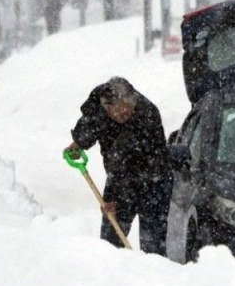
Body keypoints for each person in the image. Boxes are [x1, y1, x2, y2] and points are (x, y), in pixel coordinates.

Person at [64, 77, 173, 255]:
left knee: (153, 244)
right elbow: (90, 124)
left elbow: (124, 161)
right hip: (121, 176)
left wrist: (113, 198)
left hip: (154, 179)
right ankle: (110, 274)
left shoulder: (147, 114)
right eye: (120, 113)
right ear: (107, 108)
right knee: (110, 242)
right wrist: (78, 143)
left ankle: (152, 277)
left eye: (128, 111)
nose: (125, 115)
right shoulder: (99, 103)